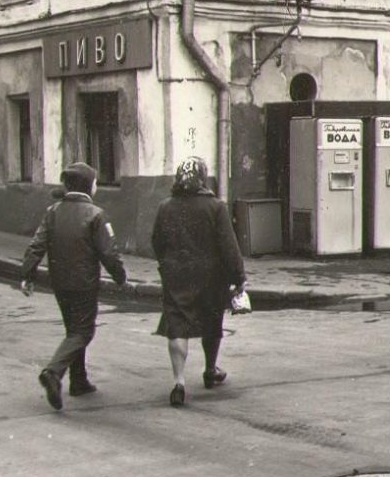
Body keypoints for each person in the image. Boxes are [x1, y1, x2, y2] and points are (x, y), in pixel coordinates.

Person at [20, 162, 127, 411]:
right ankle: (53, 372)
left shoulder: (53, 211)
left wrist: (27, 275)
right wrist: (120, 277)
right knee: (83, 332)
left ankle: (79, 381)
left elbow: (37, 245)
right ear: (89, 186)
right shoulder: (95, 214)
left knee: (73, 330)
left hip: (59, 282)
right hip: (84, 283)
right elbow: (108, 253)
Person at [150, 155, 246, 407]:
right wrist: (239, 277)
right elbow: (229, 245)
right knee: (212, 322)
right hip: (211, 276)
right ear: (203, 178)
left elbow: (157, 241)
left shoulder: (165, 207)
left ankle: (178, 382)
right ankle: (210, 369)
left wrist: (167, 265)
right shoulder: (215, 206)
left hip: (176, 275)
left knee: (177, 325)